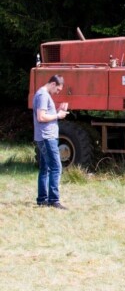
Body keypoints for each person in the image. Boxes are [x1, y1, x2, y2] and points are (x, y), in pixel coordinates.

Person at [33, 75, 69, 210]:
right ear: (53, 84)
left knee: (45, 169)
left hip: (44, 137)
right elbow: (41, 117)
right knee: (56, 167)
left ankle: (42, 199)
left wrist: (59, 110)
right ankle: (54, 200)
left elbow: (45, 114)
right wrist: (58, 115)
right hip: (47, 138)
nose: (58, 92)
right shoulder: (43, 95)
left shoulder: (42, 94)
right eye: (58, 90)